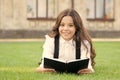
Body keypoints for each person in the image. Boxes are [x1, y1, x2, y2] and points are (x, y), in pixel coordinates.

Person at [36, 8, 96, 74]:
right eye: (62, 25)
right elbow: (43, 65)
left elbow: (88, 66)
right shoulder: (50, 41)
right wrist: (44, 69)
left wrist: (86, 71)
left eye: (70, 25)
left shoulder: (84, 43)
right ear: (58, 26)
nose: (65, 29)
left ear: (77, 27)